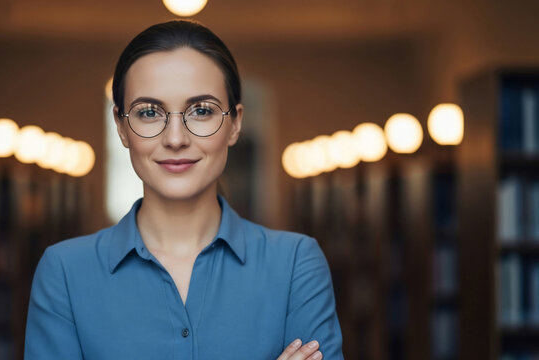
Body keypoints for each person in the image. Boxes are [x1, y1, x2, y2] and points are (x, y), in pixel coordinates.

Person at [24, 19, 344, 360]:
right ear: (121, 126)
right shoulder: (64, 272)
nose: (175, 139)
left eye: (202, 111)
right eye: (149, 112)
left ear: (235, 124)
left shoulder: (296, 264)